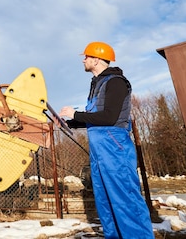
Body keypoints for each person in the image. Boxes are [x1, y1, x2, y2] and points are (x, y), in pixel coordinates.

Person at [59, 41, 154, 239]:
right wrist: (70, 123)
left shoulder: (116, 82)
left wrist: (76, 114)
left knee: (124, 198)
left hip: (115, 146)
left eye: (86, 56)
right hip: (99, 149)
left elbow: (109, 118)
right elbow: (96, 119)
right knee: (105, 201)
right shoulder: (97, 83)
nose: (83, 60)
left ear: (96, 59)